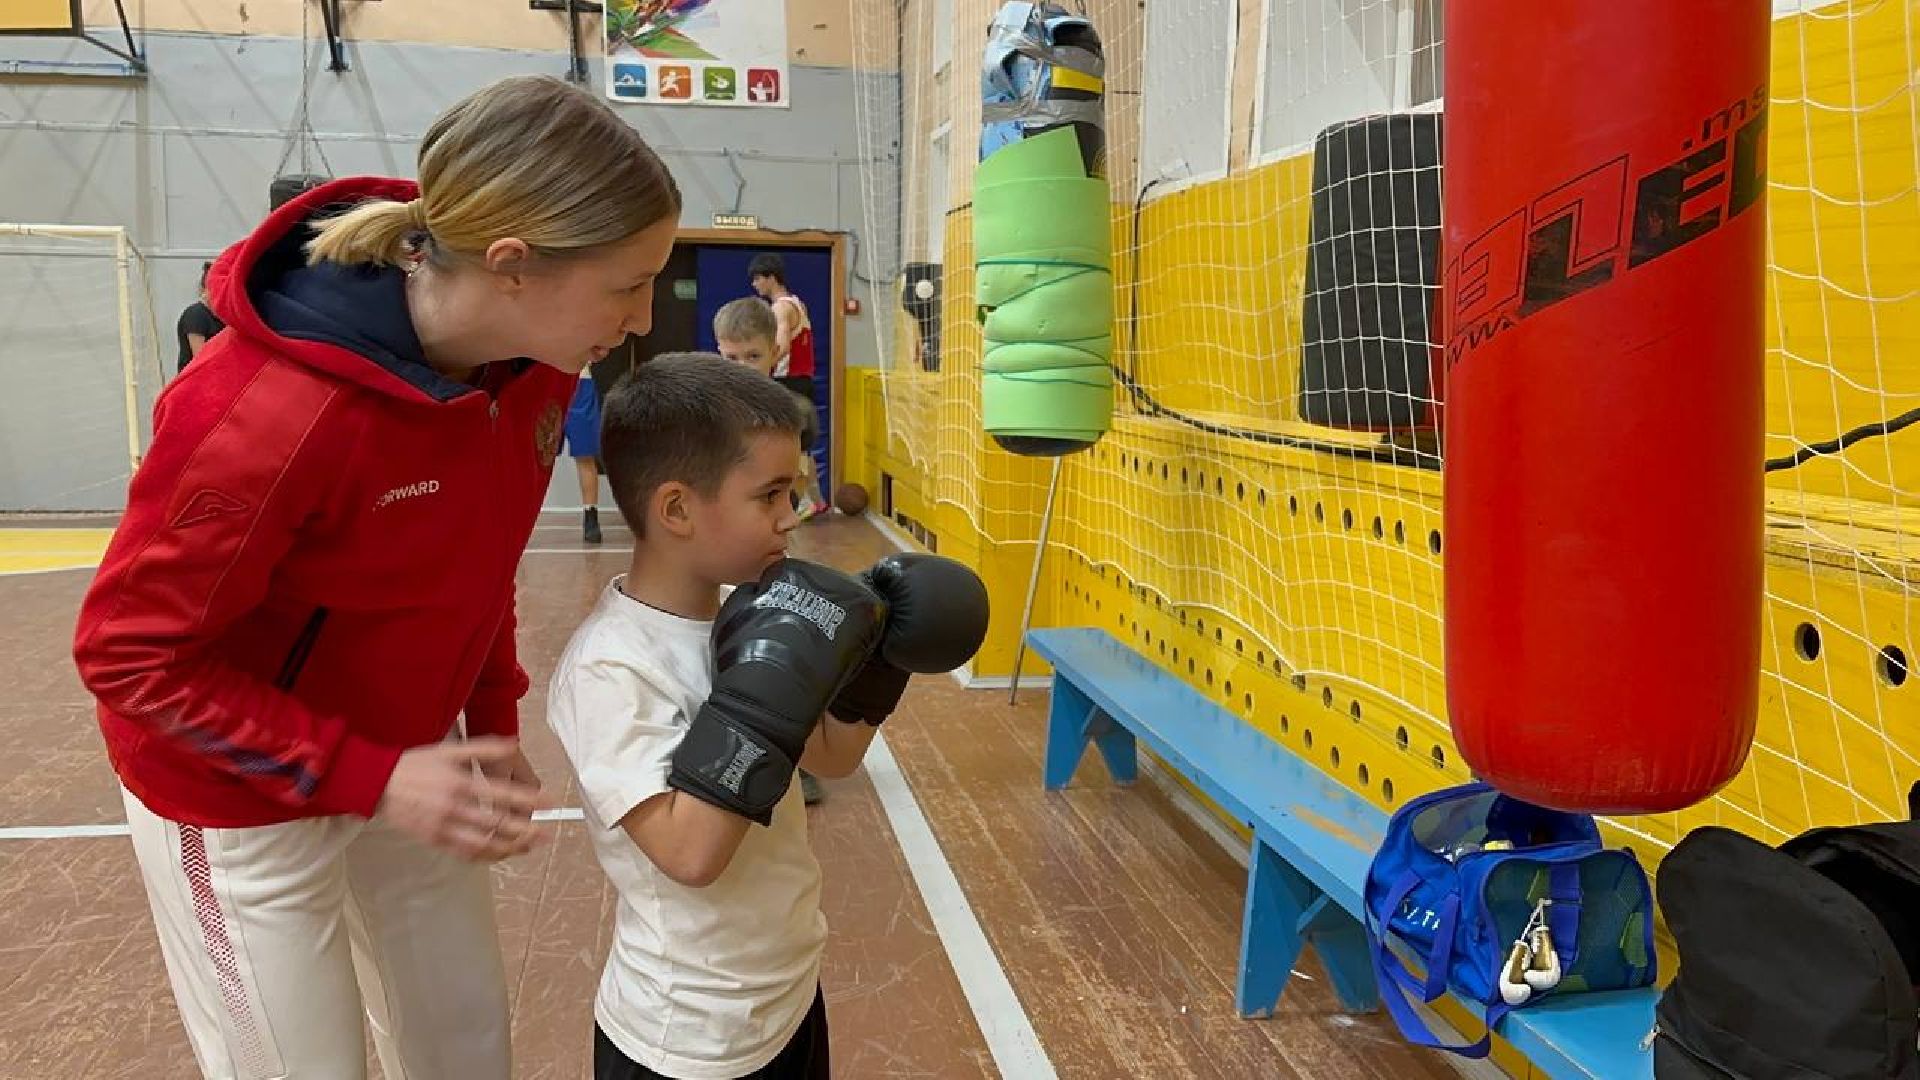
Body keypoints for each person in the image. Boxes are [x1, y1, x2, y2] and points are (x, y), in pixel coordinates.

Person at [71, 73, 681, 1080]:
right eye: (629, 283)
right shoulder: (260, 413)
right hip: (234, 792)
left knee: (463, 1047)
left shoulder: (536, 366)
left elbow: (478, 563)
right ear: (514, 264)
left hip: (408, 757)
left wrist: (486, 725)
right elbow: (129, 657)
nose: (647, 316)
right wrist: (369, 776)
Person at [546, 353, 988, 1080]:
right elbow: (689, 855)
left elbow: (832, 758)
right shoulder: (611, 669)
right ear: (678, 509)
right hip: (685, 1038)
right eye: (771, 495)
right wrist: (762, 698)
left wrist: (879, 661)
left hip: (784, 996)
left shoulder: (741, 617)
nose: (794, 516)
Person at [714, 297, 824, 805]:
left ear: (775, 351)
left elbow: (803, 495)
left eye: (752, 358)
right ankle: (722, 751)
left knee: (776, 651)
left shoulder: (788, 417)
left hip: (772, 550)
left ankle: (792, 760)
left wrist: (785, 521)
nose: (740, 369)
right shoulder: (709, 413)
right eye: (730, 359)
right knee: (719, 651)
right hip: (718, 554)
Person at [748, 253, 828, 519]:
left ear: (771, 277)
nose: (755, 285)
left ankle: (803, 499)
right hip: (799, 381)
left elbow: (781, 345)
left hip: (788, 382)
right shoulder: (797, 304)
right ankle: (815, 499)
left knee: (789, 446)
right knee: (801, 445)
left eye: (758, 278)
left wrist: (758, 366)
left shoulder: (781, 308)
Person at [566, 376, 607, 543]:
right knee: (535, 456)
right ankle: (519, 516)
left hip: (579, 381)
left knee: (584, 454)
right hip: (547, 381)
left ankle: (590, 516)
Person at [175, 261, 225, 373]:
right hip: (196, 381)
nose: (219, 292)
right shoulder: (196, 315)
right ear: (204, 289)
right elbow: (201, 360)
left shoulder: (222, 317)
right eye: (214, 288)